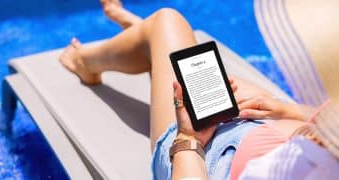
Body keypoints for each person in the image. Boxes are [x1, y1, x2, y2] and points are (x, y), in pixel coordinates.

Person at [59, 0, 325, 179]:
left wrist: (189, 139)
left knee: (167, 21)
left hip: (208, 154)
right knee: (196, 73)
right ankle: (145, 41)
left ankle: (85, 61)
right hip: (273, 122)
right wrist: (287, 110)